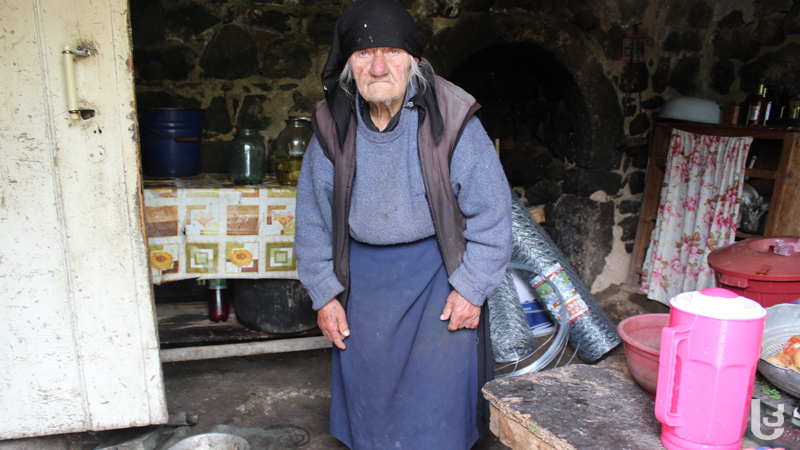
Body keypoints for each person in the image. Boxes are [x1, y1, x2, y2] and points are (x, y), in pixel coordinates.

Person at [294, 0, 512, 448]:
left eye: (391, 51)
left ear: (414, 59)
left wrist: (471, 288)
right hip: (363, 283)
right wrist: (324, 293)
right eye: (363, 54)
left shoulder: (452, 121)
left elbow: (493, 216)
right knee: (370, 406)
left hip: (437, 277)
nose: (377, 66)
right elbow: (312, 221)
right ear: (347, 64)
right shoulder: (332, 125)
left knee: (440, 403)